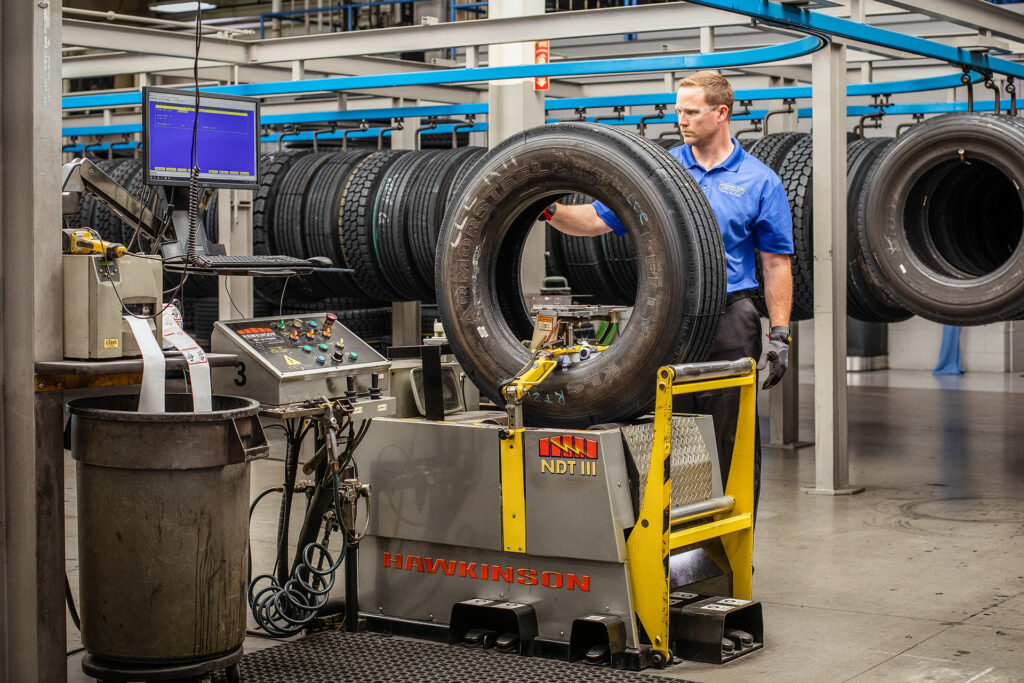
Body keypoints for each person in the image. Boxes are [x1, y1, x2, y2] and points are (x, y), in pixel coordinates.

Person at [543, 71, 793, 513]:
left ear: (721, 114)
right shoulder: (660, 173)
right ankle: (673, 554)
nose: (681, 120)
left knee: (731, 438)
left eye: (691, 112)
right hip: (666, 318)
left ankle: (731, 552)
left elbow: (775, 263)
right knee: (666, 434)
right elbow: (595, 222)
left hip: (729, 319)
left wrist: (779, 335)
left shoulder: (760, 181)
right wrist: (543, 203)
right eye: (677, 110)